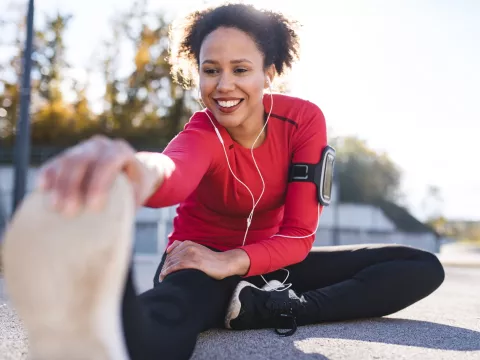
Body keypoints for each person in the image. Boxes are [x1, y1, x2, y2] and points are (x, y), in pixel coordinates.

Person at [2, 3, 445, 360]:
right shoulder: (201, 133)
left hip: (268, 265)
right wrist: (130, 170)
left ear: (268, 73)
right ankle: (99, 312)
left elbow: (298, 235)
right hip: (197, 262)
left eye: (240, 69)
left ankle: (269, 307)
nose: (224, 85)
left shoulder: (303, 120)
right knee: (163, 326)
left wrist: (235, 262)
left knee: (419, 267)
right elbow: (170, 173)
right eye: (211, 70)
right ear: (197, 74)